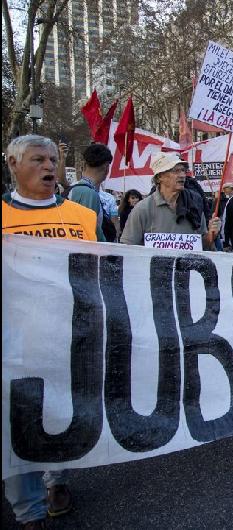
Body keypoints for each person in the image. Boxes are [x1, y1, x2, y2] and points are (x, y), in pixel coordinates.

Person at [2, 135, 91, 528]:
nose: (49, 167)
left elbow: (104, 269)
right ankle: (29, 511)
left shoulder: (82, 217)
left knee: (63, 413)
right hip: (14, 343)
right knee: (17, 425)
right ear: (12, 163)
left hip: (68, 338)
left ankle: (58, 481)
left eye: (54, 159)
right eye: (38, 159)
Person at [120, 151, 221, 249]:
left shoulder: (194, 204)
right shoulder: (143, 209)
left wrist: (210, 236)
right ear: (160, 177)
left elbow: (202, 247)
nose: (182, 175)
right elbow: (127, 250)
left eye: (183, 170)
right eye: (176, 171)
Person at [67, 143, 115, 242]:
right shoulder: (88, 194)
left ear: (85, 164)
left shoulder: (74, 188)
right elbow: (88, 231)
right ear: (106, 168)